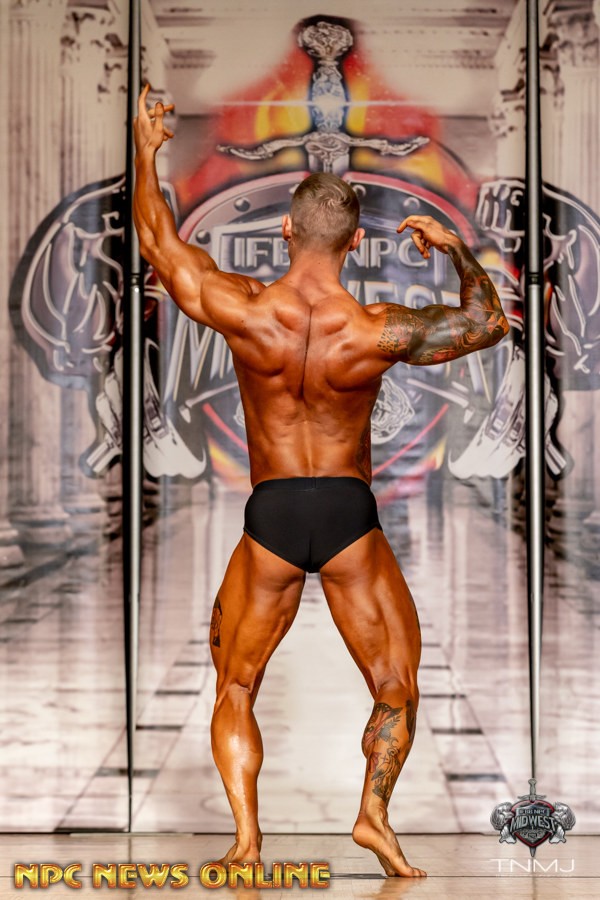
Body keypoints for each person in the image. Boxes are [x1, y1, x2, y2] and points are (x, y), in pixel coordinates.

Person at [133, 84, 509, 878]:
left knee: (236, 685)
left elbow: (159, 245)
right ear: (353, 243)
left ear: (286, 230)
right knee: (396, 685)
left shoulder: (244, 309)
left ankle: (246, 841)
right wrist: (452, 247)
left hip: (270, 513)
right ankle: (372, 817)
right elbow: (488, 323)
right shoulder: (374, 330)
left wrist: (146, 149)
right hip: (347, 514)